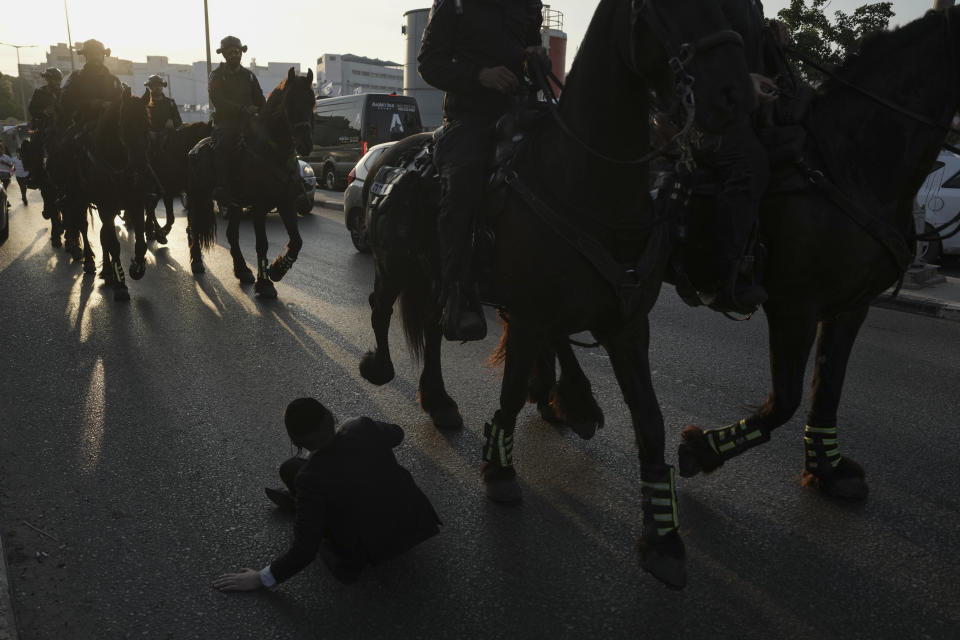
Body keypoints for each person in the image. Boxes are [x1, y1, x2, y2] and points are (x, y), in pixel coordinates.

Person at [213, 398, 442, 590]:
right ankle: (305, 506)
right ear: (331, 416)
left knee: (291, 469)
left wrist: (260, 578)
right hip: (416, 523)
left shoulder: (310, 478)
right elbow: (397, 434)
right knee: (305, 473)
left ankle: (303, 507)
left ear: (296, 440)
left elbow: (305, 549)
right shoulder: (361, 427)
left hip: (373, 549)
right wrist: (355, 425)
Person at [418, 0, 545, 341]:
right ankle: (455, 296)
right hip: (470, 117)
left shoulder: (529, 5)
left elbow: (532, 51)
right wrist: (480, 76)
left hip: (520, 111)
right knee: (462, 188)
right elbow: (429, 64)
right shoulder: (454, 4)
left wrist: (537, 58)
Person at [690, 0, 786, 314]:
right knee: (750, 164)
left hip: (748, 113)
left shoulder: (752, 5)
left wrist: (775, 45)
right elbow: (689, 60)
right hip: (708, 118)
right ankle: (718, 274)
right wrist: (743, 83)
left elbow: (756, 67)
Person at [207, 35, 265, 205]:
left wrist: (262, 109)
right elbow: (217, 99)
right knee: (223, 145)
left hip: (250, 122)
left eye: (237, 51)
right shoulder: (215, 75)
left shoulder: (250, 76)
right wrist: (242, 109)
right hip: (226, 122)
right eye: (231, 51)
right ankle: (222, 187)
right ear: (224, 54)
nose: (235, 54)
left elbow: (260, 99)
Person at [59, 39, 123, 131]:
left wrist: (111, 105)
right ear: (86, 56)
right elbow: (65, 101)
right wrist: (90, 104)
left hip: (111, 126)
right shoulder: (76, 77)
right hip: (81, 125)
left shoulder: (114, 80)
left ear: (103, 56)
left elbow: (122, 103)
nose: (95, 57)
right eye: (91, 54)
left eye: (98, 54)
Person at [28, 67, 63, 147]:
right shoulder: (39, 92)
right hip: (41, 127)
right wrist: (44, 111)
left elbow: (67, 109)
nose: (57, 82)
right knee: (35, 145)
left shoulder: (62, 93)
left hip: (59, 126)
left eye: (58, 80)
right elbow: (31, 109)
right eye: (55, 79)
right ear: (48, 79)